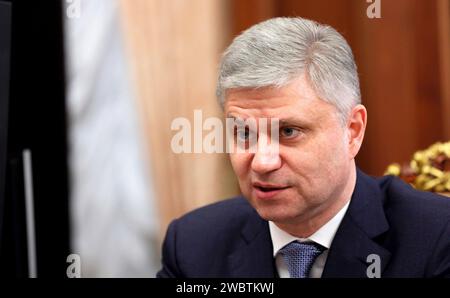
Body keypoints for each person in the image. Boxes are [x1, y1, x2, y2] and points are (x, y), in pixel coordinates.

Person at [157, 17, 450, 278]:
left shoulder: (436, 238)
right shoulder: (193, 246)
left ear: (352, 130)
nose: (262, 162)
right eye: (244, 133)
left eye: (288, 132)